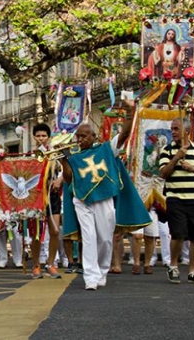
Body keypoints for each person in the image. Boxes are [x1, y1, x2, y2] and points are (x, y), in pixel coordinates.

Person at [59, 107, 145, 291]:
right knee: (88, 238)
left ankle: (102, 271)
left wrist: (130, 114)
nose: (80, 140)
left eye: (84, 136)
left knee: (105, 239)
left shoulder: (106, 149)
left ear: (94, 136)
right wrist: (64, 161)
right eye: (78, 137)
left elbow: (123, 135)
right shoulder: (73, 155)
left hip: (103, 199)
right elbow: (68, 180)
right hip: (81, 200)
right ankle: (90, 276)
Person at [159, 116, 194, 284]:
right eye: (172, 129)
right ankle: (174, 266)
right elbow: (163, 173)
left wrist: (193, 168)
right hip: (176, 197)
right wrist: (176, 157)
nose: (173, 132)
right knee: (178, 233)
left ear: (187, 131)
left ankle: (192, 271)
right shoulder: (166, 150)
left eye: (176, 129)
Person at [29, 123, 63, 279]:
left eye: (44, 136)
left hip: (53, 196)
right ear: (34, 137)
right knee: (36, 233)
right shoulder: (30, 155)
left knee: (55, 231)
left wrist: (59, 181)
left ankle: (50, 263)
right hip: (35, 197)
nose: (41, 138)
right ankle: (36, 265)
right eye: (38, 135)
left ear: (48, 137)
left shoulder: (55, 153)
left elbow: (65, 169)